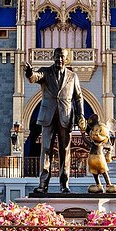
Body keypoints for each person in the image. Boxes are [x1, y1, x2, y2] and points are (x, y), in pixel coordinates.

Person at [24, 47, 86, 195]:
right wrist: (29, 73)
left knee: (65, 151)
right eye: (57, 56)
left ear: (66, 59)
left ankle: (64, 185)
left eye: (62, 57)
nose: (59, 59)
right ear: (53, 57)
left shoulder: (73, 76)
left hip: (65, 116)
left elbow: (78, 97)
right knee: (46, 149)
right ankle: (43, 184)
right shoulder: (46, 71)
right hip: (48, 116)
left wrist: (80, 115)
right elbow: (35, 77)